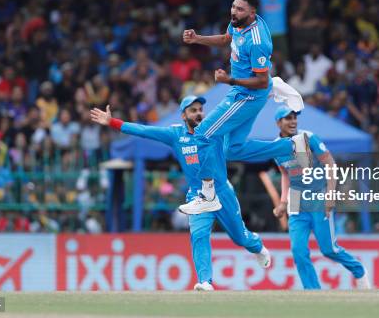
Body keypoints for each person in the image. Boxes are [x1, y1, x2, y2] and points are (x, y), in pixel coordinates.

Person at [89, 96, 271, 291]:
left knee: (239, 238)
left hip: (222, 192)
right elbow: (144, 131)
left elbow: (239, 119)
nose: (199, 113)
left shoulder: (215, 129)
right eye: (193, 110)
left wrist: (258, 98)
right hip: (198, 196)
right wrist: (112, 122)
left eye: (201, 109)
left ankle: (257, 245)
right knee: (199, 235)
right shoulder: (175, 134)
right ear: (183, 115)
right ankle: (205, 282)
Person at [181, 0, 312, 215]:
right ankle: (290, 145)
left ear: (252, 12)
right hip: (241, 93)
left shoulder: (258, 41)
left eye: (239, 9)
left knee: (202, 134)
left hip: (247, 95)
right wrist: (197, 39)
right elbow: (225, 39)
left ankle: (208, 194)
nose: (233, 11)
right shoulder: (238, 23)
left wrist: (229, 79)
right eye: (233, 6)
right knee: (232, 148)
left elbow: (262, 81)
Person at [271, 106, 370, 289]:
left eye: (294, 117)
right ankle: (313, 292)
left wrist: (331, 195)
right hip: (296, 202)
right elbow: (286, 175)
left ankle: (358, 269)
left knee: (328, 250)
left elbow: (331, 165)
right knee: (298, 251)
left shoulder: (309, 138)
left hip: (318, 199)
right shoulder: (276, 147)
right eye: (287, 118)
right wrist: (283, 202)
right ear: (278, 123)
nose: (293, 121)